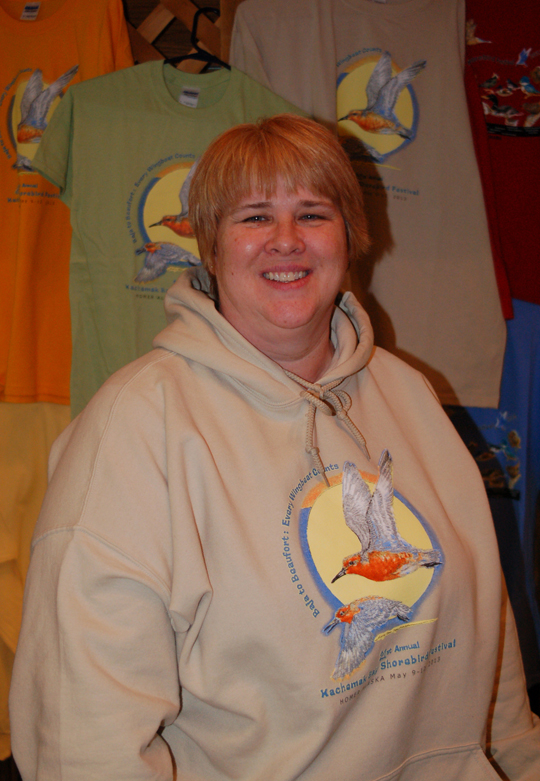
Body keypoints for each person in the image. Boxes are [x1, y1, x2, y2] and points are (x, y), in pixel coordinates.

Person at [9, 114, 540, 780]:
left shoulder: (409, 395)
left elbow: (489, 637)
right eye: (254, 217)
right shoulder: (137, 427)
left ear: (350, 238)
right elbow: (79, 737)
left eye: (313, 213)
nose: (285, 241)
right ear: (210, 246)